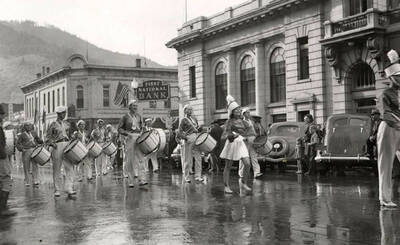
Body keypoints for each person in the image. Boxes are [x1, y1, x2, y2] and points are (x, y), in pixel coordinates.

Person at [376, 49, 400, 208]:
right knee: (386, 164)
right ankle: (385, 198)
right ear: (391, 78)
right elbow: (386, 113)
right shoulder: (385, 93)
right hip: (389, 128)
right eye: (398, 76)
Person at [220, 95, 253, 194]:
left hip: (241, 143)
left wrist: (248, 135)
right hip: (232, 144)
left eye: (239, 109)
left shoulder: (243, 121)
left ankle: (243, 182)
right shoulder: (229, 121)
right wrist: (232, 136)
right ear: (232, 112)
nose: (238, 111)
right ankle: (226, 186)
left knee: (247, 164)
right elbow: (224, 135)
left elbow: (249, 131)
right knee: (228, 166)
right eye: (236, 110)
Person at [46, 106, 75, 197]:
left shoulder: (67, 124)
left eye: (64, 113)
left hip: (67, 144)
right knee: (57, 169)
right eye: (62, 113)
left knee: (70, 167)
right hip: (57, 145)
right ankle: (57, 189)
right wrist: (51, 143)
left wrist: (72, 140)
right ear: (58, 114)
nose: (64, 115)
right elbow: (48, 136)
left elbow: (70, 135)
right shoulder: (53, 124)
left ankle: (69, 188)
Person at [118, 99, 147, 188]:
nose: (135, 107)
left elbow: (142, 127)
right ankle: (130, 181)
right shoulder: (125, 117)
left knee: (141, 159)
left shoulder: (139, 116)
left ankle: (142, 179)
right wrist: (127, 134)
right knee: (129, 160)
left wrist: (143, 132)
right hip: (130, 138)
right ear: (129, 107)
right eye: (133, 106)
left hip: (138, 138)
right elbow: (119, 129)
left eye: (136, 106)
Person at [177, 104, 203, 183]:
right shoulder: (183, 120)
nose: (190, 110)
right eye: (188, 109)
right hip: (188, 139)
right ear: (185, 111)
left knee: (198, 158)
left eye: (191, 109)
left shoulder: (194, 119)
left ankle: (198, 176)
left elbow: (197, 128)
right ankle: (186, 176)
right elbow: (179, 132)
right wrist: (185, 138)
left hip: (196, 138)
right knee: (187, 159)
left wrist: (200, 129)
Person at [0, 106, 17, 217]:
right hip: (1, 157)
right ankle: (2, 209)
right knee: (6, 180)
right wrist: (4, 154)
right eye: (1, 114)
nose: (3, 116)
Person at [239, 108, 262, 178]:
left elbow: (253, 131)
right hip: (244, 142)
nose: (249, 114)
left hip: (252, 141)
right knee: (243, 157)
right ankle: (241, 173)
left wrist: (256, 137)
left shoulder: (251, 122)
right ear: (244, 114)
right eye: (247, 113)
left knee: (254, 157)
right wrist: (243, 138)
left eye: (249, 112)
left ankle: (257, 173)